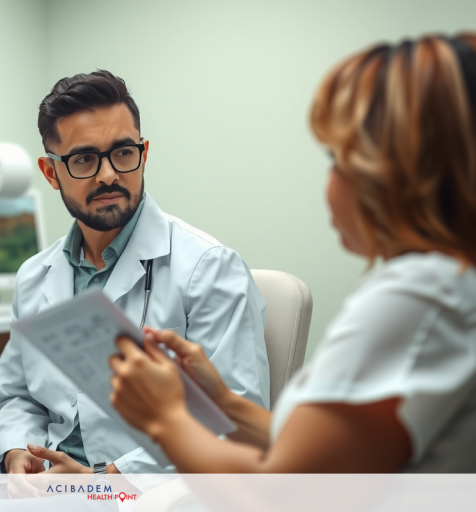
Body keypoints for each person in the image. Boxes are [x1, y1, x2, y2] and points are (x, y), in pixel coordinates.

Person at [0, 70, 269, 511]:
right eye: (85, 160)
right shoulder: (36, 275)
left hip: (145, 490)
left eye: (123, 153)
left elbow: (233, 418)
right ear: (51, 172)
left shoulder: (209, 268)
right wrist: (15, 454)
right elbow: (16, 397)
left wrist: (103, 478)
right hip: (47, 484)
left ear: (143, 155)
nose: (109, 174)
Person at [109, 33, 476, 473]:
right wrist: (221, 401)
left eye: (337, 159)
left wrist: (164, 418)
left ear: (395, 172)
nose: (329, 184)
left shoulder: (424, 291)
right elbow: (322, 454)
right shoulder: (451, 284)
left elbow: (280, 495)